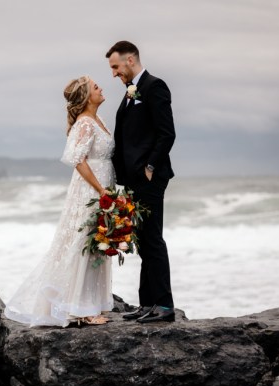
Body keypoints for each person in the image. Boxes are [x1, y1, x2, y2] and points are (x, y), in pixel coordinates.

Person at [4, 75, 115, 327]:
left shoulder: (99, 120)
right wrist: (101, 190)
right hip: (90, 191)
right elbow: (78, 160)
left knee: (97, 244)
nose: (101, 88)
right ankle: (78, 309)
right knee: (83, 243)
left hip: (104, 187)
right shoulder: (85, 123)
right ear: (87, 97)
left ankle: (88, 303)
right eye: (96, 87)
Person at [106, 40, 176, 323]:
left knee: (153, 240)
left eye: (115, 66)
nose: (113, 73)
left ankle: (165, 306)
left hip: (150, 178)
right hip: (134, 180)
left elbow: (166, 133)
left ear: (130, 60)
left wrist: (149, 166)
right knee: (144, 242)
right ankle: (148, 303)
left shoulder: (154, 87)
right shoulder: (131, 91)